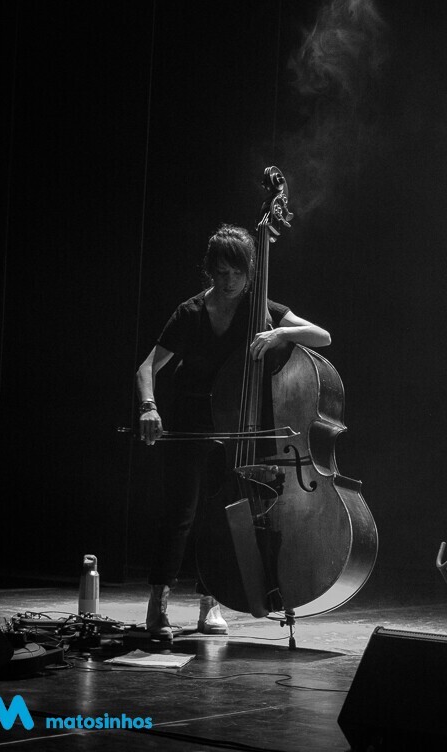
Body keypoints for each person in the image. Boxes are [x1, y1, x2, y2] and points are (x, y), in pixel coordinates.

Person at [135, 224, 331, 641]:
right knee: (179, 516)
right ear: (210, 271)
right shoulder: (190, 313)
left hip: (237, 431)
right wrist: (149, 407)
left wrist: (280, 332)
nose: (228, 282)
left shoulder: (260, 309)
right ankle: (159, 601)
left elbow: (322, 336)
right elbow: (147, 368)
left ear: (249, 272)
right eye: (221, 273)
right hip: (190, 423)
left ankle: (211, 602)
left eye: (237, 273)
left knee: (224, 517)